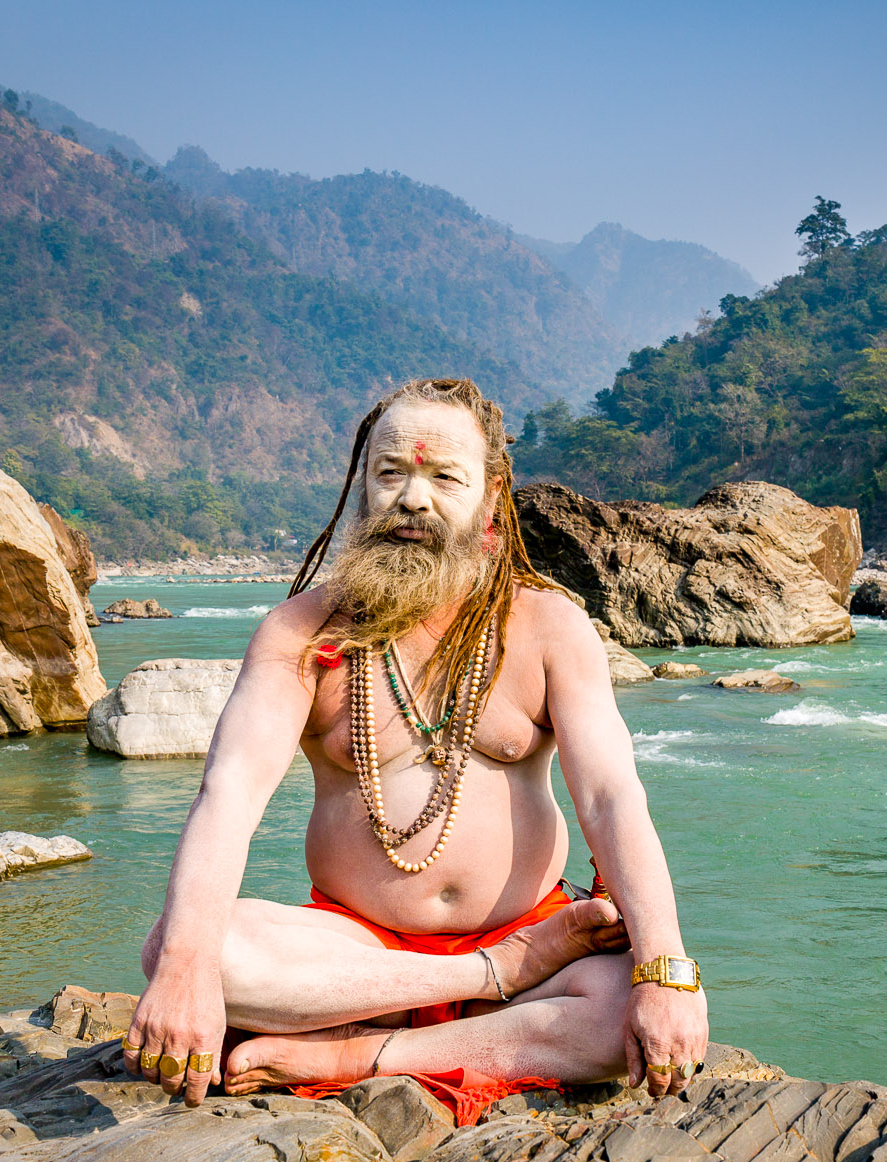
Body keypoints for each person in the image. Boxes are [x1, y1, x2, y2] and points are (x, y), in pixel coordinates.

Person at [124, 377, 709, 1111]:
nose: (412, 498)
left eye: (443, 477)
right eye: (391, 473)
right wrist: (183, 966)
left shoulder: (547, 626)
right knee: (180, 946)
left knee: (632, 1006)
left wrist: (665, 969)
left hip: (529, 935)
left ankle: (356, 1056)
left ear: (491, 497)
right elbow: (230, 792)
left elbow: (611, 794)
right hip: (360, 964)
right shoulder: (302, 632)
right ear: (362, 488)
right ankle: (482, 984)